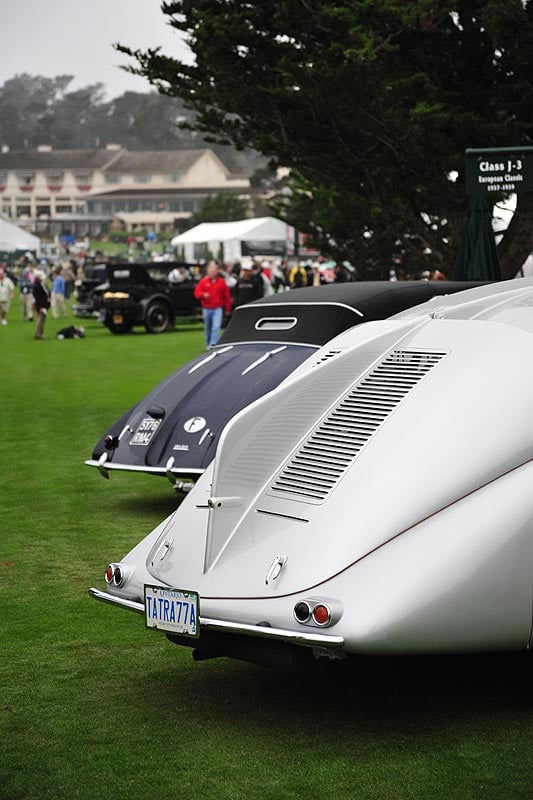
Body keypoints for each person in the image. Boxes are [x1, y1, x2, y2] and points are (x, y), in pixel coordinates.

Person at [193, 260, 232, 348]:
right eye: (211, 270)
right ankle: (208, 342)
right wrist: (203, 295)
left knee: (216, 327)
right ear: (208, 271)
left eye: (214, 270)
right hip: (207, 308)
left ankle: (213, 344)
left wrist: (227, 308)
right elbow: (196, 293)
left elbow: (227, 296)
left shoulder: (221, 282)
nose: (213, 273)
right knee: (208, 327)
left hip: (217, 308)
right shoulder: (203, 282)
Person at [32, 270, 50, 340]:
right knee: (40, 320)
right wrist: (41, 307)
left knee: (42, 320)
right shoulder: (37, 286)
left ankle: (40, 333)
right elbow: (38, 297)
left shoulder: (42, 284)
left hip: (44, 304)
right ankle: (38, 334)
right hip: (41, 305)